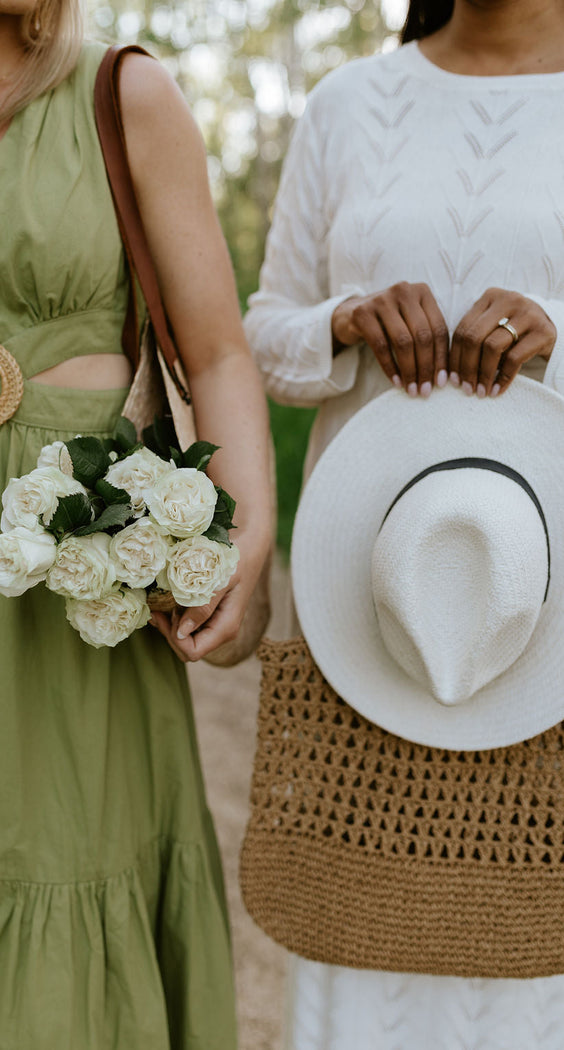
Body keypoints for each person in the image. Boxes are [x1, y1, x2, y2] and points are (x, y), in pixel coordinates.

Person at [0, 2, 272, 1047]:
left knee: (56, 859)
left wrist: (245, 543)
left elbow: (217, 352)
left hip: (72, 574)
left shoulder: (122, 93)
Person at [244, 0, 564, 1047]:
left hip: (544, 612)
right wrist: (341, 322)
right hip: (373, 606)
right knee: (358, 917)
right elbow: (263, 327)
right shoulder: (351, 103)